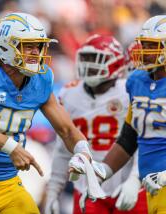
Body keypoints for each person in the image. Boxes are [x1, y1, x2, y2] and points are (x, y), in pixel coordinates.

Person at [0, 12, 97, 214]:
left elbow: (67, 130)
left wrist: (83, 152)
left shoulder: (41, 79)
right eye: (28, 46)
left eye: (39, 46)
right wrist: (11, 148)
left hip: (9, 183)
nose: (36, 52)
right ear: (6, 45)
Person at [69, 15, 166, 214]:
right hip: (153, 188)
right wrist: (102, 171)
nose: (144, 51)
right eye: (144, 44)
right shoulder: (137, 81)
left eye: (151, 45)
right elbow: (129, 137)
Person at [45, 34, 147, 214]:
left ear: (115, 62)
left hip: (126, 185)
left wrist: (135, 179)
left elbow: (141, 141)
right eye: (86, 58)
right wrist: (53, 191)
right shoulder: (70, 94)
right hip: (87, 187)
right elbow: (63, 148)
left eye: (96, 59)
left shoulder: (129, 90)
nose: (89, 64)